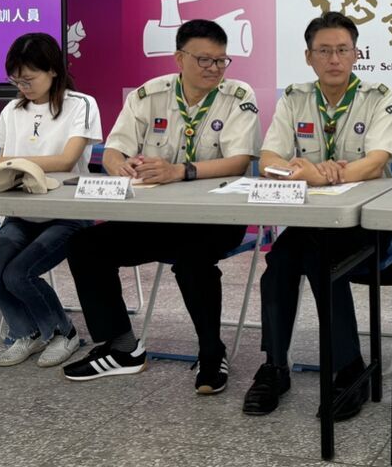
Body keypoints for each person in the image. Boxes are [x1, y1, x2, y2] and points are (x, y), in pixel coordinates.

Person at [61, 19, 259, 394]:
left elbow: (238, 162)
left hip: (217, 218)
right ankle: (122, 348)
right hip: (157, 216)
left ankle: (212, 352)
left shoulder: (237, 95)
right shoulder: (149, 95)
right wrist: (120, 166)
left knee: (193, 257)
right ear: (179, 58)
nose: (214, 68)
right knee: (84, 245)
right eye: (204, 60)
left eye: (221, 60)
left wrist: (178, 171)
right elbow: (114, 150)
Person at [242, 11, 392, 419]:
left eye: (343, 50)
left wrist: (322, 175)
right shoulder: (295, 98)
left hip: (367, 224)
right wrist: (298, 171)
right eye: (324, 51)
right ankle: (275, 366)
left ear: (356, 54)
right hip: (313, 221)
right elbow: (269, 159)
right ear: (309, 56)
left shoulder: (378, 96)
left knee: (320, 260)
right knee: (279, 263)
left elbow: (376, 161)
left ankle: (349, 369)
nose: (334, 59)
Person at [0, 32, 102, 369]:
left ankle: (64, 333)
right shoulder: (12, 110)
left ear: (53, 70)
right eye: (16, 81)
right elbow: (10, 166)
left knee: (19, 274)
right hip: (22, 212)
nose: (23, 87)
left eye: (29, 79)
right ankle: (28, 332)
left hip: (67, 214)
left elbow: (65, 161)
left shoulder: (81, 104)